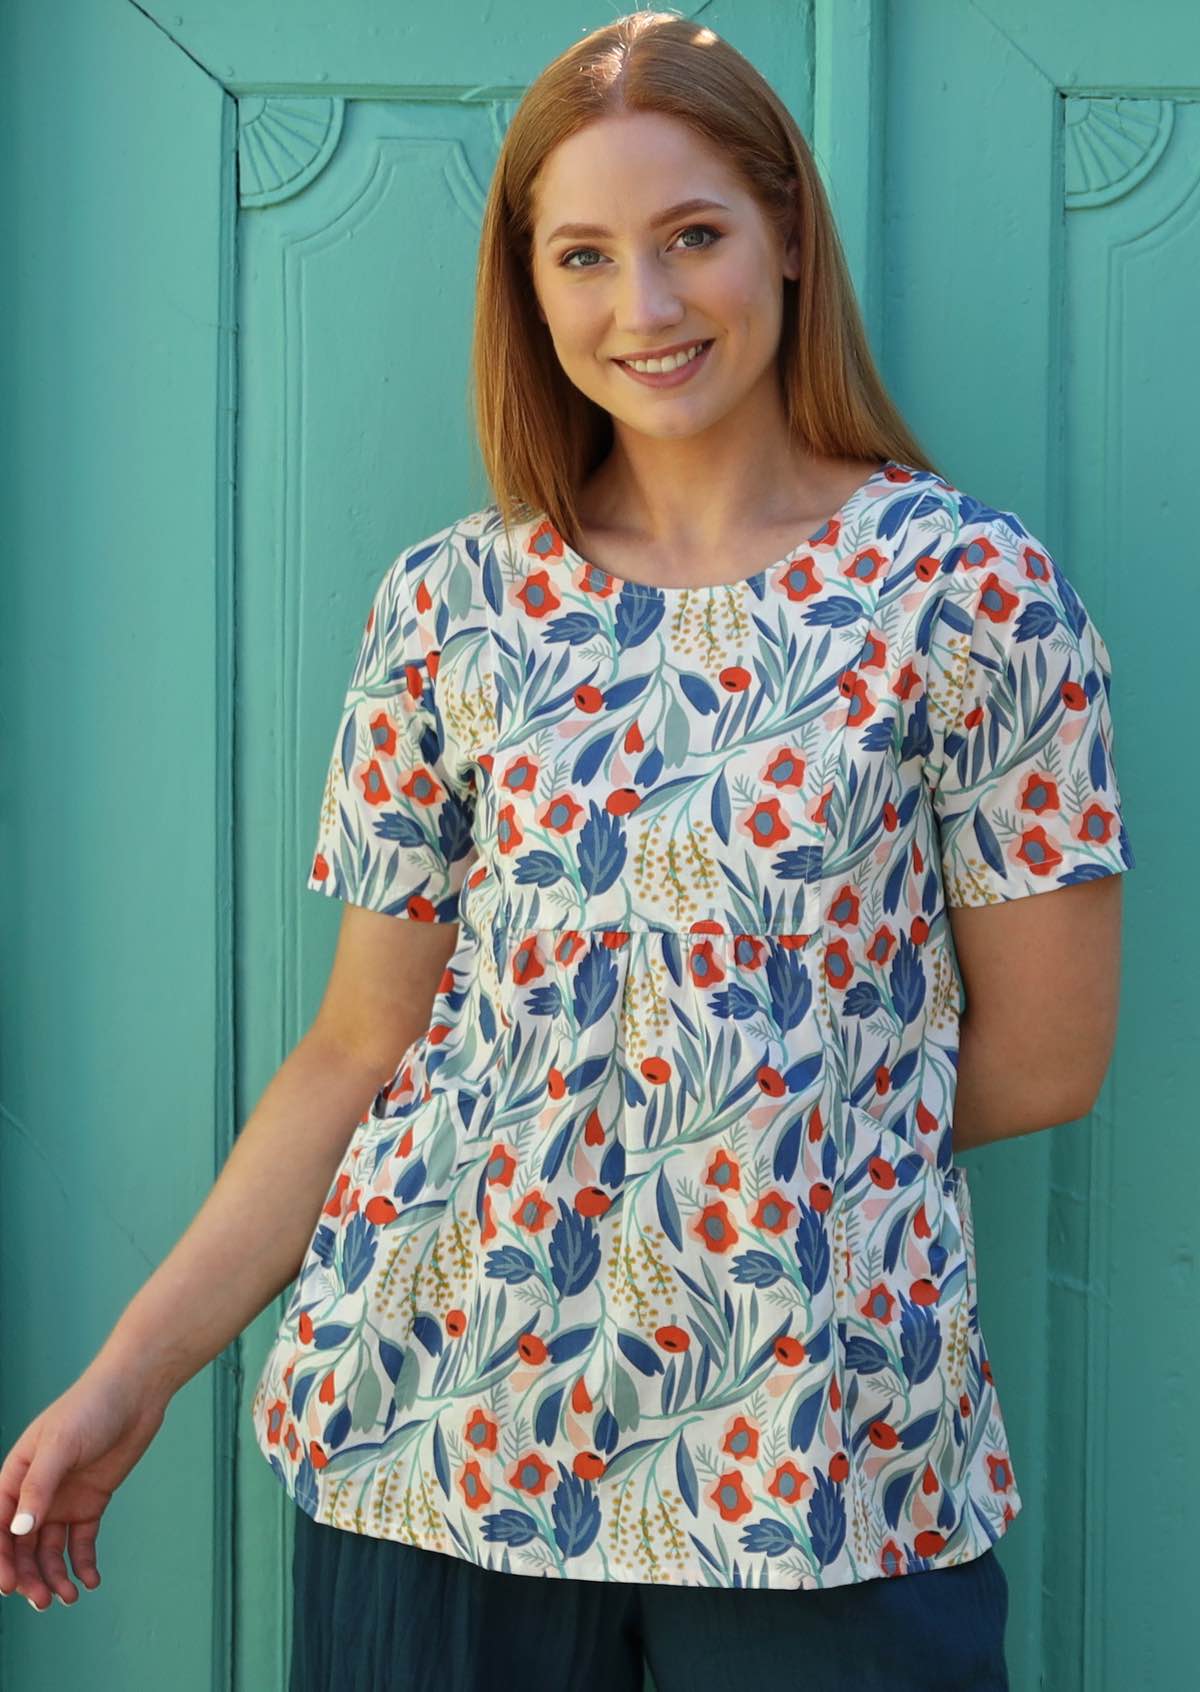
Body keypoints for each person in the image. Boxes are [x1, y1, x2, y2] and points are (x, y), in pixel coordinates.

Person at [0, 10, 1134, 1689]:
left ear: (789, 240)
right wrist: (132, 1372)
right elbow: (362, 1047)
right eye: (584, 255)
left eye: (693, 238)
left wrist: (727, 1139)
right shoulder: (449, 607)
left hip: (817, 1464)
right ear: (530, 289)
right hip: (435, 1440)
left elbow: (1044, 1060)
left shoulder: (967, 595)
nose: (647, 308)